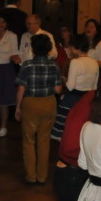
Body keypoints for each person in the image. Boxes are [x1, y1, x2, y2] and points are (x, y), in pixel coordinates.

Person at [15, 33, 63, 185]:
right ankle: (42, 176)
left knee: (29, 141)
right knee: (44, 140)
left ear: (33, 48)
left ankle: (31, 176)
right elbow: (58, 90)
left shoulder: (27, 65)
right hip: (49, 103)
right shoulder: (54, 66)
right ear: (48, 49)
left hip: (30, 104)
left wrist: (17, 107)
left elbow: (21, 89)